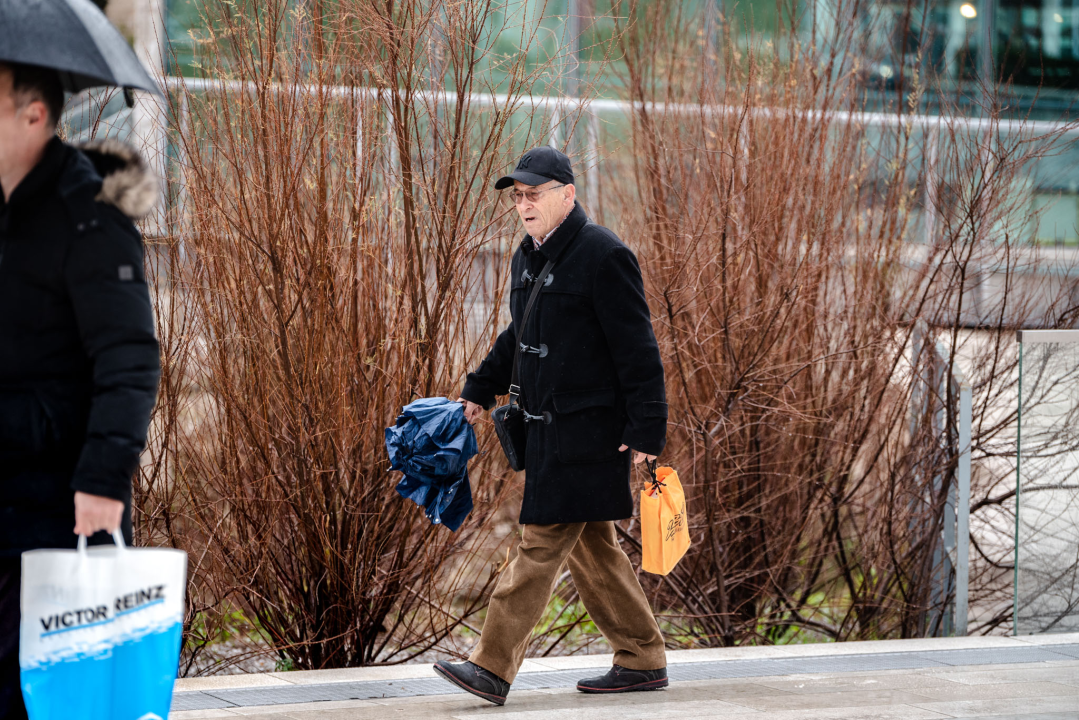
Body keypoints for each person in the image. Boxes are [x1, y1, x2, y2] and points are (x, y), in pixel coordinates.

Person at [434, 146, 669, 705]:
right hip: (544, 431)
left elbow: (639, 350)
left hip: (590, 433)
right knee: (594, 549)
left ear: (567, 193)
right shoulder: (527, 257)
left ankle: (491, 667)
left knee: (538, 544)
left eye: (533, 193)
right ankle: (642, 658)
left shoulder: (604, 255)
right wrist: (478, 387)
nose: (523, 204)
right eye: (517, 196)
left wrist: (646, 431)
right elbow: (519, 337)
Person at [0, 62, 160, 719]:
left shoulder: (88, 217)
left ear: (33, 114)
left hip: (57, 503)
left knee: (46, 695)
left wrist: (101, 481)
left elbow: (129, 359)